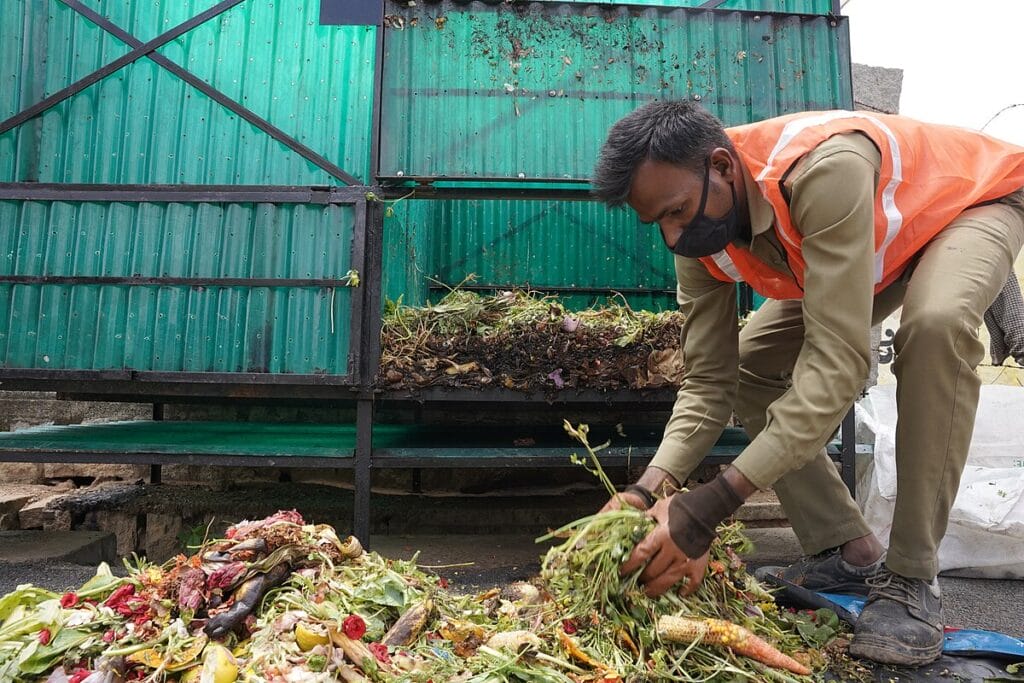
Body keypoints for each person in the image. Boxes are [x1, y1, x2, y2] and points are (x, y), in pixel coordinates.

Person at [590, 101, 1024, 666]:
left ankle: (912, 578)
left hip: (970, 203)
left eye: (676, 211)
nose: (674, 235)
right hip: (879, 246)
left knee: (935, 328)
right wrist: (647, 489)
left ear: (721, 166)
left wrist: (711, 505)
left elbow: (837, 365)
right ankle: (849, 547)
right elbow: (709, 381)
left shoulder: (821, 169)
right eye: (659, 223)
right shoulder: (697, 228)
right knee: (751, 364)